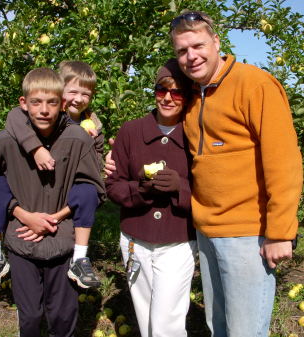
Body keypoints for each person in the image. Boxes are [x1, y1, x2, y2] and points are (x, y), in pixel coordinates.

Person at [168, 11, 304, 336]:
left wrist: (280, 231)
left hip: (247, 232)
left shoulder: (254, 84)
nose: (191, 56)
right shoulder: (192, 95)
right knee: (220, 326)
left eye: (198, 45)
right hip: (207, 229)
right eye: (182, 51)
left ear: (216, 42)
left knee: (245, 330)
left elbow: (283, 161)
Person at [0, 67, 105, 336]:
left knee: (63, 316)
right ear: (23, 104)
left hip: (62, 241)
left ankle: (80, 263)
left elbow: (95, 190)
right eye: (36, 102)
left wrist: (56, 218)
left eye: (51, 103)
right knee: (31, 316)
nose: (44, 110)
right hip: (22, 240)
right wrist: (23, 215)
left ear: (61, 104)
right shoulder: (5, 141)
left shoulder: (78, 139)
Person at [105, 59, 196, 337]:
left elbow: (213, 191)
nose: (168, 98)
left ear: (189, 95)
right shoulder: (131, 132)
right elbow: (113, 185)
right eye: (161, 90)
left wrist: (180, 186)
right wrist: (140, 189)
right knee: (145, 318)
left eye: (177, 92)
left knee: (166, 320)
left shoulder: (197, 136)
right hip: (135, 240)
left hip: (177, 241)